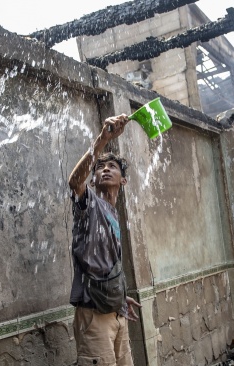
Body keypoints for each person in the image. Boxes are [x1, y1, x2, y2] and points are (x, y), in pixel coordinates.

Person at [68, 113, 142, 366]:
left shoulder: (113, 213)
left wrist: (120, 295)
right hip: (93, 314)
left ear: (124, 180)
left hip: (117, 312)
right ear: (94, 177)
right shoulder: (90, 203)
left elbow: (105, 260)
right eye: (100, 167)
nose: (106, 169)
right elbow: (74, 181)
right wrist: (102, 139)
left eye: (112, 167)